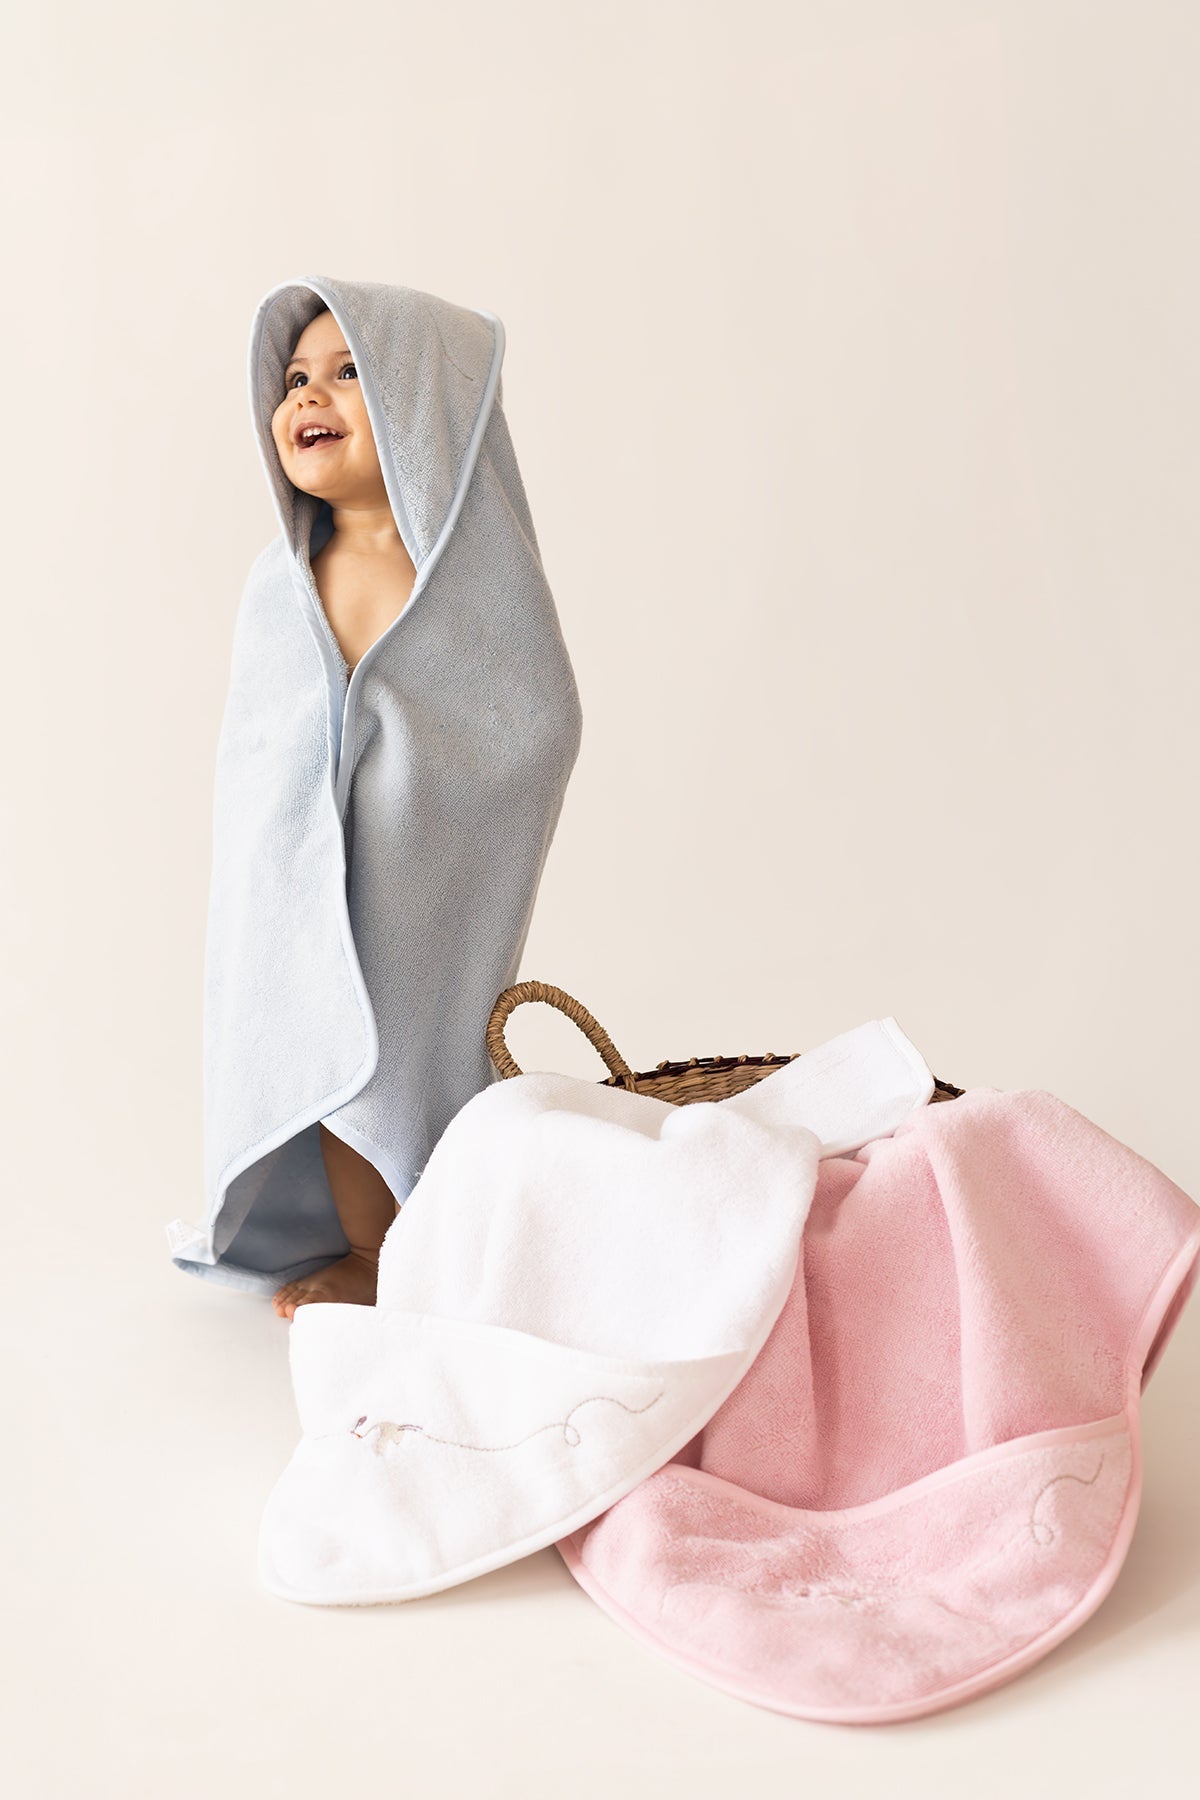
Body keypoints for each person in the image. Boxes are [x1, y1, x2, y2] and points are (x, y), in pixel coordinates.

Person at [164, 276, 583, 1316]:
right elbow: (257, 747)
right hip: (299, 872)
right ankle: (364, 1246)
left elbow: (533, 714)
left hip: (420, 869)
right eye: (294, 378)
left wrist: (416, 778)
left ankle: (429, 1237)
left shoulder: (470, 582)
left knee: (405, 1056)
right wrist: (292, 832)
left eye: (350, 372)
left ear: (423, 407)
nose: (309, 395)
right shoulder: (284, 581)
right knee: (325, 1056)